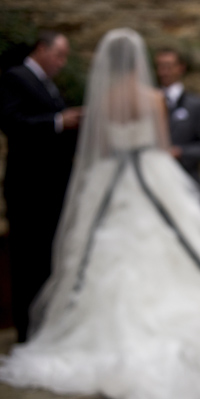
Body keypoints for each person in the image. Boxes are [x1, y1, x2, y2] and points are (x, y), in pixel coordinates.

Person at [0, 29, 200, 399]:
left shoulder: (105, 100)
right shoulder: (153, 98)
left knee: (98, 251)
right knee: (173, 242)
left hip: (111, 180)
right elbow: (159, 143)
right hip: (151, 175)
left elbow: (103, 146)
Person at [0, 30, 82, 343]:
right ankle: (27, 332)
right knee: (27, 260)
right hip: (28, 188)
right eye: (59, 55)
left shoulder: (47, 84)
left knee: (47, 259)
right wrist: (60, 122)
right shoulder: (15, 77)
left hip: (51, 187)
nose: (62, 63)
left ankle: (43, 327)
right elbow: (12, 123)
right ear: (41, 48)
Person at [154, 47, 200, 207]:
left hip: (185, 180)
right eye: (160, 66)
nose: (163, 72)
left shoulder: (196, 105)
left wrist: (180, 152)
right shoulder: (148, 103)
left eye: (168, 66)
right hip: (155, 181)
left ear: (181, 68)